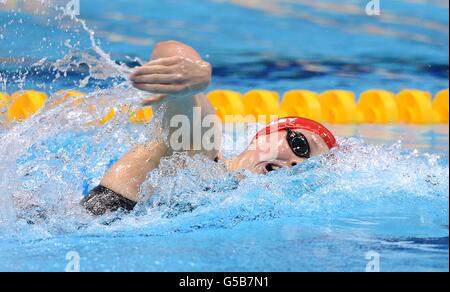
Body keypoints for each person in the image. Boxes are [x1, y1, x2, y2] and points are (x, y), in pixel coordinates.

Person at [81, 41, 337, 216]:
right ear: (265, 134)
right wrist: (190, 75)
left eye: (309, 167)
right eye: (300, 146)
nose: (297, 165)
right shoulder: (200, 159)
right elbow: (167, 50)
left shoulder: (232, 202)